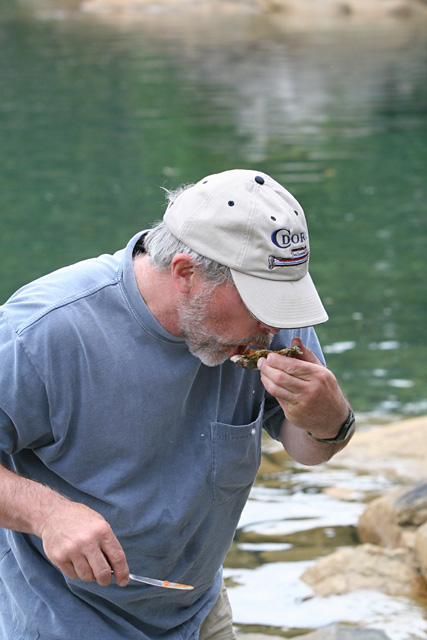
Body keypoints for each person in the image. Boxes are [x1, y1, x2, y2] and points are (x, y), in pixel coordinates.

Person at [0, 169, 355, 639]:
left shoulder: (269, 323)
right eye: (261, 304)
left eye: (284, 303)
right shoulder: (43, 332)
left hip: (198, 609)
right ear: (186, 273)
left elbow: (307, 449)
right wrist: (49, 514)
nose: (274, 330)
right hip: (62, 617)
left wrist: (330, 419)